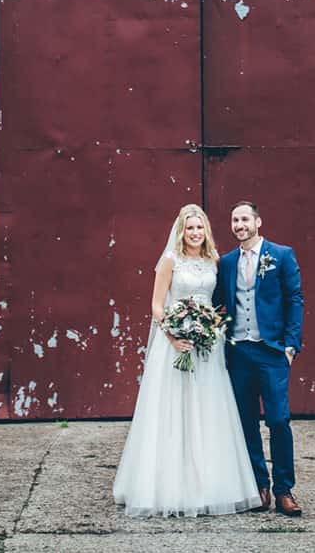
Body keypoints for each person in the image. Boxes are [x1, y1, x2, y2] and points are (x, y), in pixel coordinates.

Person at [112, 203, 263, 517]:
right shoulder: (170, 261)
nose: (195, 233)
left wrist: (210, 328)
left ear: (206, 231)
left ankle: (208, 483)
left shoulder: (214, 260)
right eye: (190, 228)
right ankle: (169, 484)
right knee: (173, 412)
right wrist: (172, 334)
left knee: (208, 411)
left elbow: (219, 302)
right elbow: (156, 305)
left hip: (208, 348)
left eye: (199, 228)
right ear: (181, 231)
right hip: (176, 345)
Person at [213, 201, 305, 516]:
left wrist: (291, 345)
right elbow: (216, 304)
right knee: (246, 421)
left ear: (257, 222)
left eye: (244, 219)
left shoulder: (281, 255)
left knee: (278, 420)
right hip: (238, 352)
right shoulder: (226, 262)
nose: (239, 225)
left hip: (272, 351)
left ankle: (284, 490)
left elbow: (295, 299)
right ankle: (259, 486)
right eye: (234, 220)